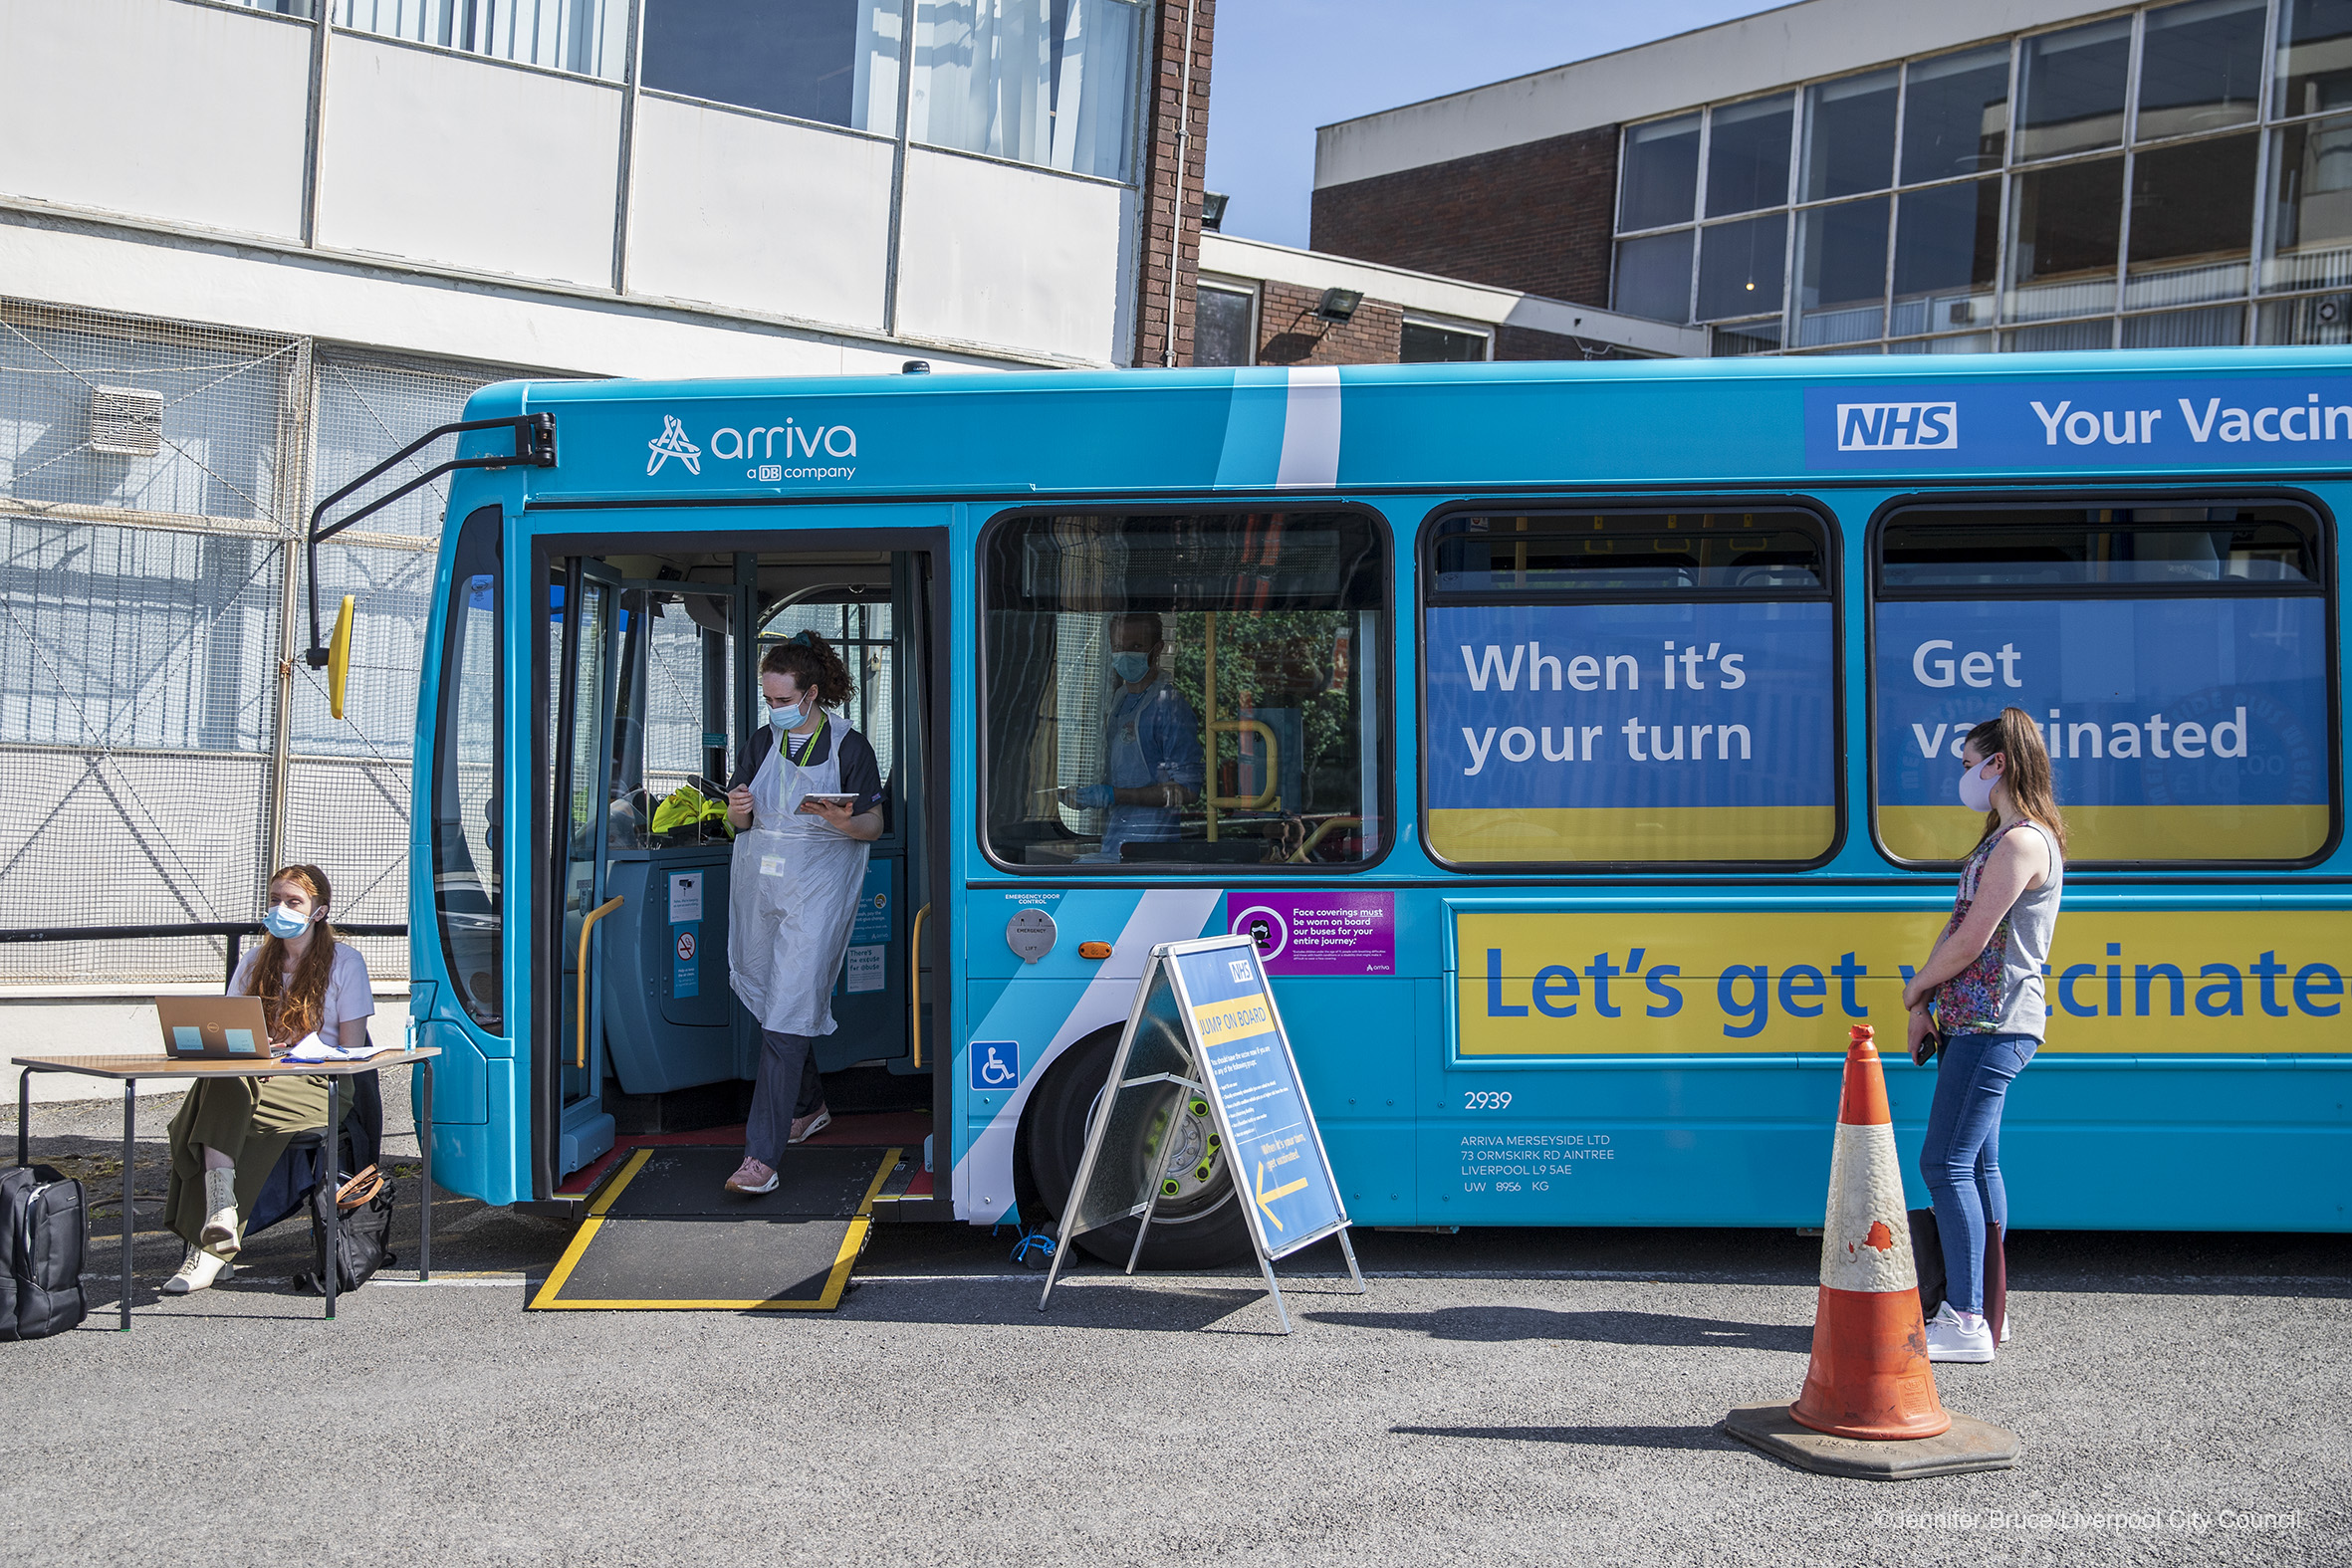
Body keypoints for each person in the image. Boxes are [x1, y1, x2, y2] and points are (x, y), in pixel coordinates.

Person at [1900, 708, 2065, 1364]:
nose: (1964, 775)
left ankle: (1966, 1316)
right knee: (1978, 1163)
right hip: (1976, 1020)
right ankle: (1986, 1309)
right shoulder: (2002, 838)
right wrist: (1928, 1004)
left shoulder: (2023, 841)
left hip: (1995, 1023)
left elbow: (1971, 941)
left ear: (1998, 764)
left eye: (1970, 763)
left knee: (1943, 1162)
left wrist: (1915, 989)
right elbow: (1960, 923)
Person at [722, 630, 884, 1196]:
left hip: (819, 886)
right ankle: (810, 1106)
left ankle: (759, 1157)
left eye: (783, 700)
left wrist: (844, 820)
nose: (774, 710)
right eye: (769, 701)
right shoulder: (761, 742)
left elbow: (873, 827)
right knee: (772, 998)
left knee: (790, 1006)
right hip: (761, 886)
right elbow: (740, 823)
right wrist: (737, 810)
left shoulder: (849, 746)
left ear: (811, 694)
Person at [161, 865, 373, 1295]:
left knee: (219, 1105)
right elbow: (225, 1027)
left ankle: (209, 1250)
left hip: (319, 1081)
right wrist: (260, 1053)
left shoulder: (346, 962)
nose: (280, 908)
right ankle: (220, 1216)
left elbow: (350, 1051)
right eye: (275, 899)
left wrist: (295, 1054)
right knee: (220, 1082)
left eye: (293, 901)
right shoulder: (256, 960)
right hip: (256, 1074)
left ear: (319, 912)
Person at [1058, 612, 1206, 861]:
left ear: (1157, 649)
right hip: (1118, 836)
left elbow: (1187, 790)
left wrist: (1113, 795)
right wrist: (1090, 796)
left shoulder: (1168, 706)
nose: (1125, 655)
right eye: (1118, 647)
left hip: (1153, 845)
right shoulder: (1120, 700)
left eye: (1136, 647)